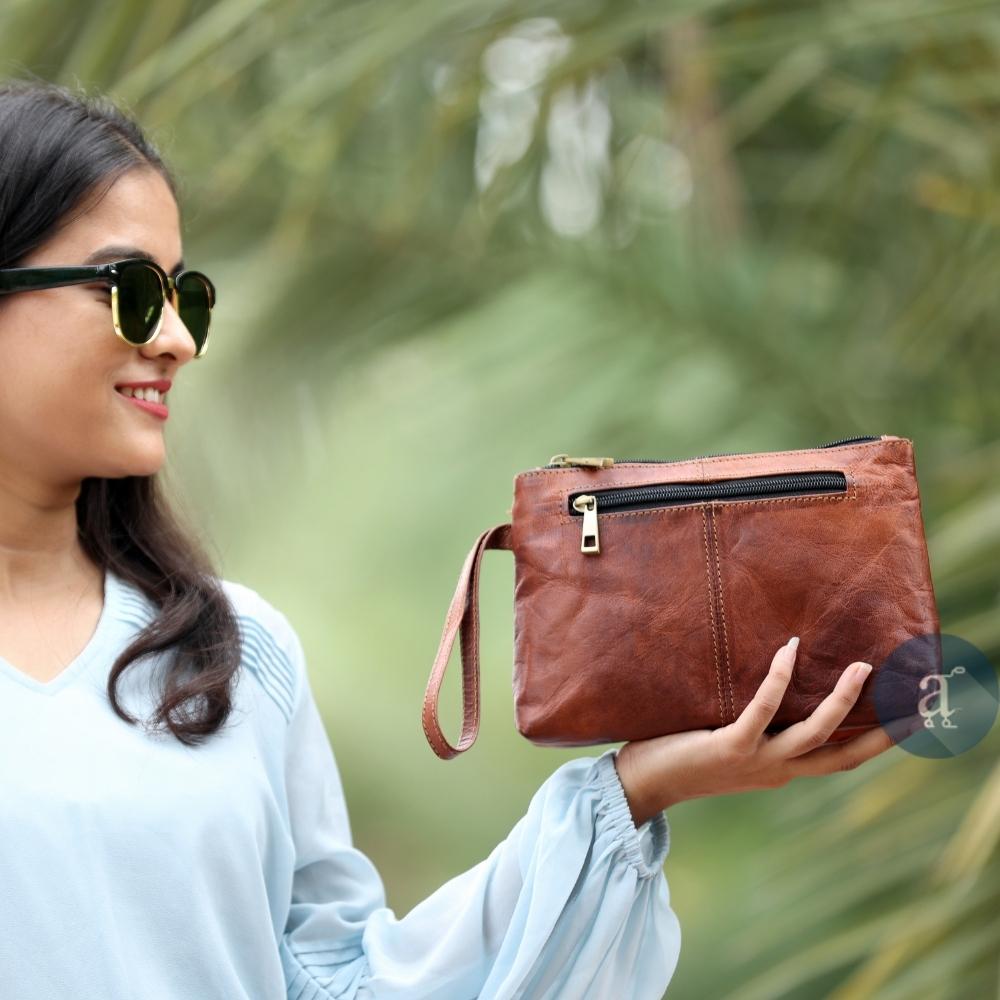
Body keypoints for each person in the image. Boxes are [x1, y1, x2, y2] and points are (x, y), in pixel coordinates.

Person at [0, 80, 903, 1000]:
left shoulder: (231, 657)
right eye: (132, 291)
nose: (179, 341)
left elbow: (346, 983)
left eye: (187, 297)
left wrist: (633, 792)